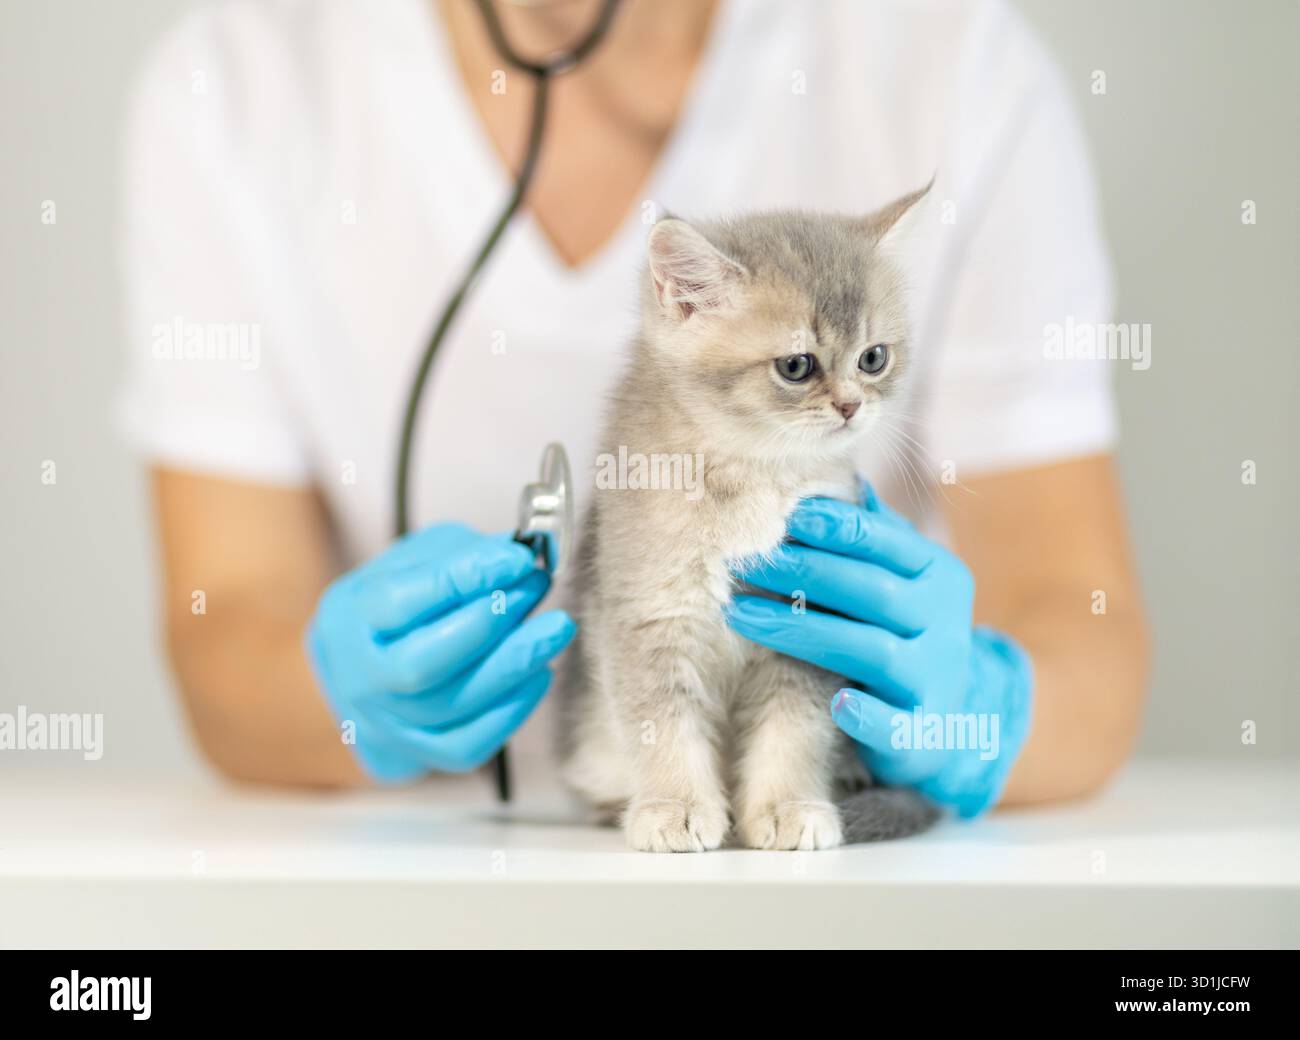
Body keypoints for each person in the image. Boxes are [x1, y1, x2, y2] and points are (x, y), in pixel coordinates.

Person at [119, 0, 1149, 814]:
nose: (844, 397)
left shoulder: (950, 62)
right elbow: (225, 641)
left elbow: (1087, 640)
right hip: (429, 866)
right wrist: (346, 701)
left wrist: (973, 711)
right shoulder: (235, 86)